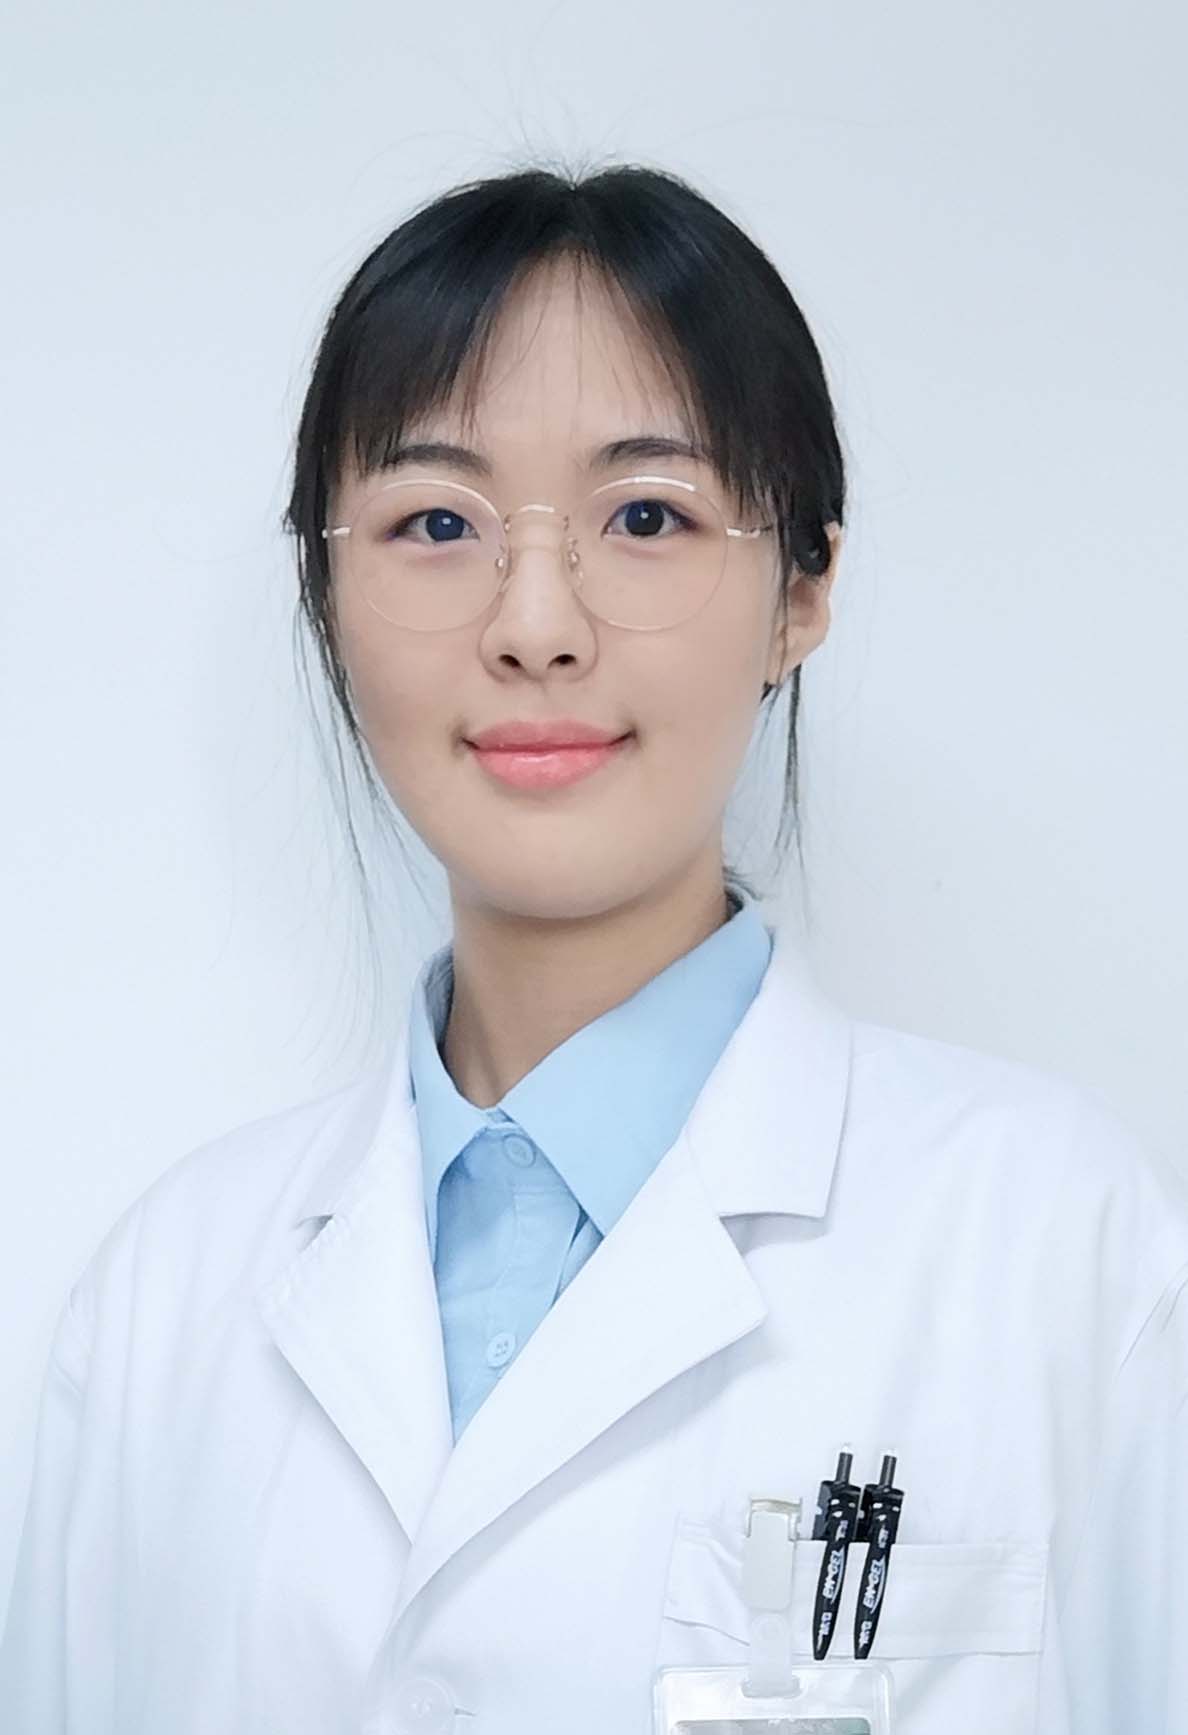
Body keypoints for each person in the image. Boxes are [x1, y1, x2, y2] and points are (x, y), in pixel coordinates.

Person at [2, 162, 1185, 1735]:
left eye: (647, 516)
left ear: (804, 590)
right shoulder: (163, 1306)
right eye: (436, 522)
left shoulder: (1056, 1251)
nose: (536, 624)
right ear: (325, 591)